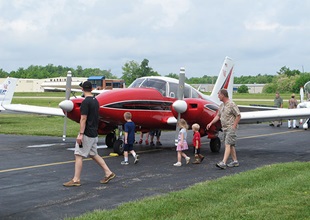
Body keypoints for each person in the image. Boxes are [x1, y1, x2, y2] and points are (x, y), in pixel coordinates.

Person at [63, 81, 115, 187]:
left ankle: (76, 179)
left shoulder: (85, 102)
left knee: (78, 154)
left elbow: (83, 118)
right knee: (93, 154)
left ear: (82, 89)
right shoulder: (96, 101)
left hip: (87, 133)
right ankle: (108, 173)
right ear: (91, 89)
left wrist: (81, 134)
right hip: (94, 132)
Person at [206, 89, 241, 169]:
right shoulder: (221, 105)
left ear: (223, 95)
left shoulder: (231, 104)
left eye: (219, 94)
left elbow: (238, 115)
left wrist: (234, 126)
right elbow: (218, 116)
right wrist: (211, 123)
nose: (218, 96)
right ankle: (235, 161)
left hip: (230, 127)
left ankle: (223, 162)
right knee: (231, 145)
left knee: (227, 144)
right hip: (224, 128)